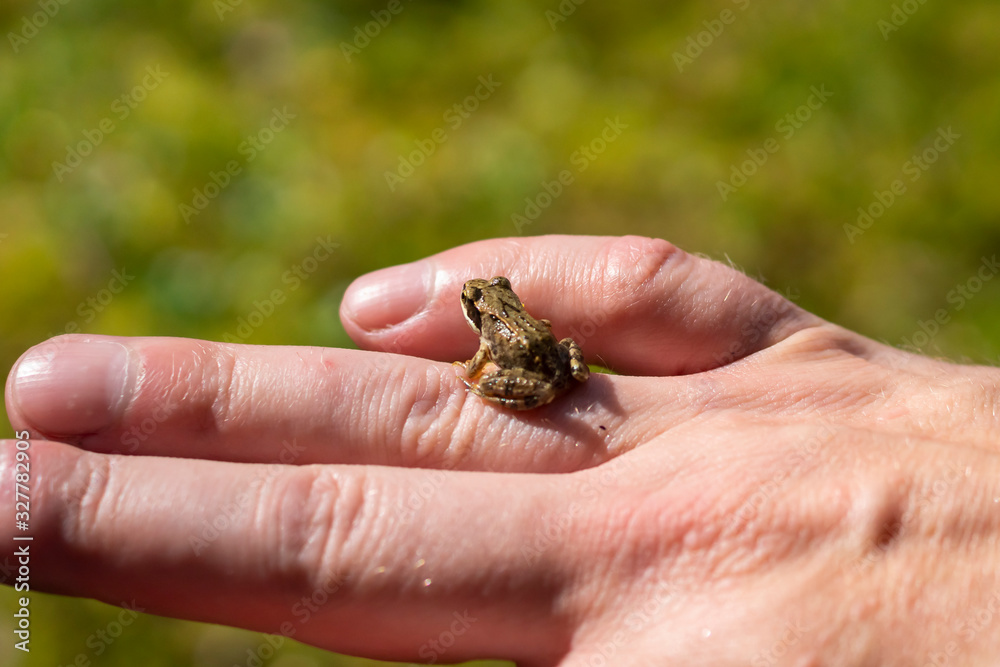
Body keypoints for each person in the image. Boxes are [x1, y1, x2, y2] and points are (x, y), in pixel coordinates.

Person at [4, 235, 999, 665]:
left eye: (478, 308)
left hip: (533, 370)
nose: (477, 309)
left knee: (346, 515)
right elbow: (557, 351)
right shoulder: (514, 319)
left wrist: (478, 380)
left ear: (482, 313)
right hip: (555, 362)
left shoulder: (490, 336)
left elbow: (515, 357)